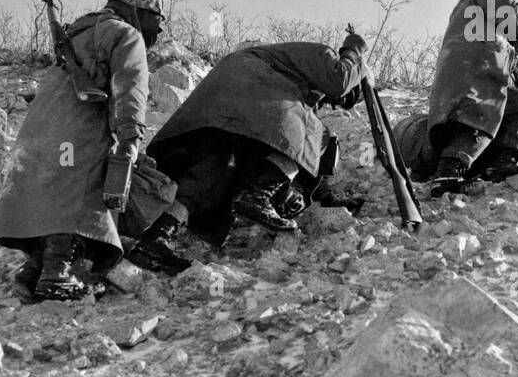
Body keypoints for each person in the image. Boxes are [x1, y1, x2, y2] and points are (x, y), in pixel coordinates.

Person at [0, 0, 185, 301]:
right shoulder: (126, 35)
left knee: (60, 196)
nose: (160, 27)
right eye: (158, 16)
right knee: (84, 195)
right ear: (138, 9)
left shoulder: (75, 36)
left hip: (35, 136)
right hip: (79, 132)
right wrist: (129, 142)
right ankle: (57, 274)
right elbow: (130, 93)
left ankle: (35, 272)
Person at [146, 32, 365, 244]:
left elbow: (301, 155)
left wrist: (328, 200)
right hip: (252, 84)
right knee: (317, 136)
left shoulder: (291, 83)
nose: (335, 101)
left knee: (213, 170)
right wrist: (354, 50)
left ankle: (157, 235)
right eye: (344, 99)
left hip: (220, 99)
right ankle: (258, 194)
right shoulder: (323, 54)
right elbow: (340, 81)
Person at [395, 0, 518, 197]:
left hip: (457, 87)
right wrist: (516, 43)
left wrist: (510, 58)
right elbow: (504, 11)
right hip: (473, 81)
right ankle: (448, 172)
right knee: (480, 112)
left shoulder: (464, 16)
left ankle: (501, 161)